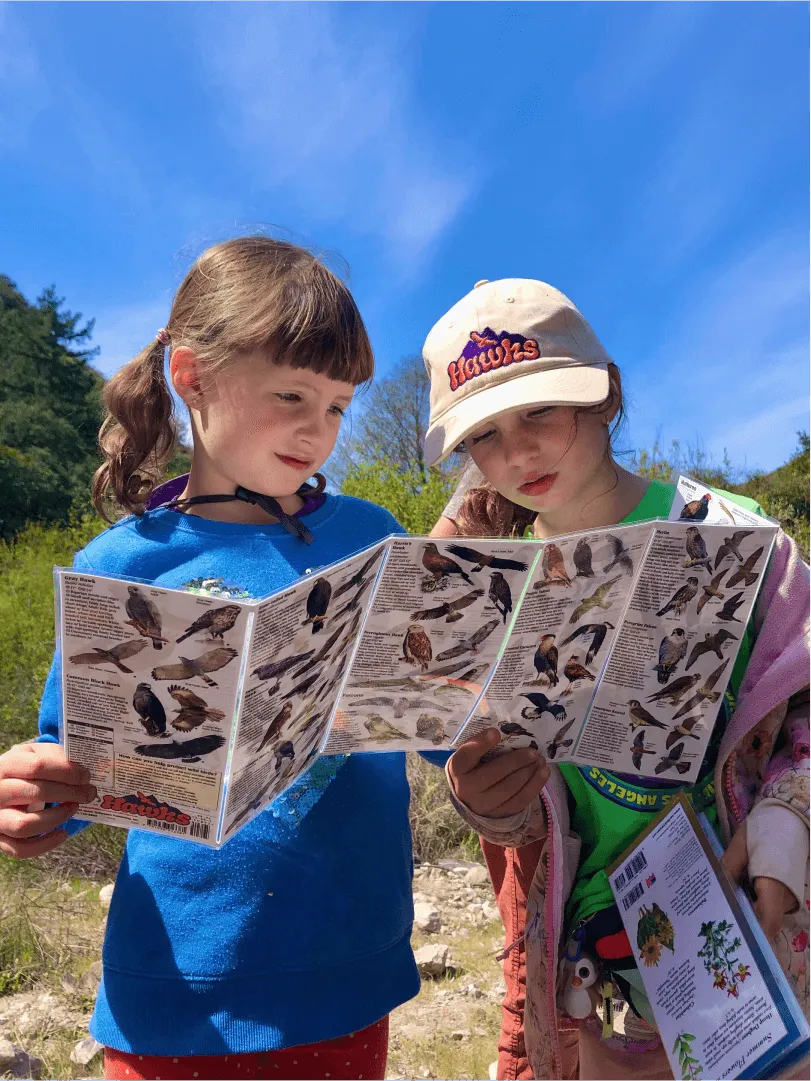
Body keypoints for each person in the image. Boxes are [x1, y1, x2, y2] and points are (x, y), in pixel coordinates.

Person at [0, 236, 443, 1081]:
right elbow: (78, 773)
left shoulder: (374, 539)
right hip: (174, 991)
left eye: (340, 406)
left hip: (346, 974)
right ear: (192, 375)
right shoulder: (118, 565)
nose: (319, 431)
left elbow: (442, 722)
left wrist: (495, 755)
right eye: (292, 394)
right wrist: (32, 799)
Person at [422, 278, 810, 1080]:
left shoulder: (735, 536)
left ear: (604, 394)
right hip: (594, 962)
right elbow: (509, 793)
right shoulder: (485, 595)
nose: (517, 452)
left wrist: (787, 818)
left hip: (760, 913)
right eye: (484, 435)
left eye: (539, 411)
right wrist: (486, 801)